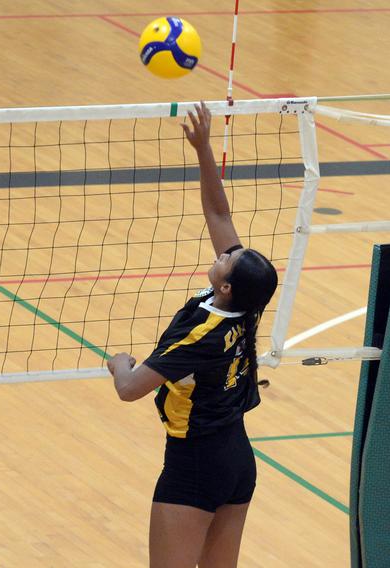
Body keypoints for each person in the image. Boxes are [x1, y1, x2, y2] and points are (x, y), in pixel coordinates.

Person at [106, 102, 278, 568]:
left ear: (225, 285)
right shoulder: (243, 306)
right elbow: (219, 212)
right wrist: (203, 148)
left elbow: (129, 389)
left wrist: (119, 361)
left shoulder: (201, 335)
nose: (224, 253)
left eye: (227, 260)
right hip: (238, 461)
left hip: (195, 465)